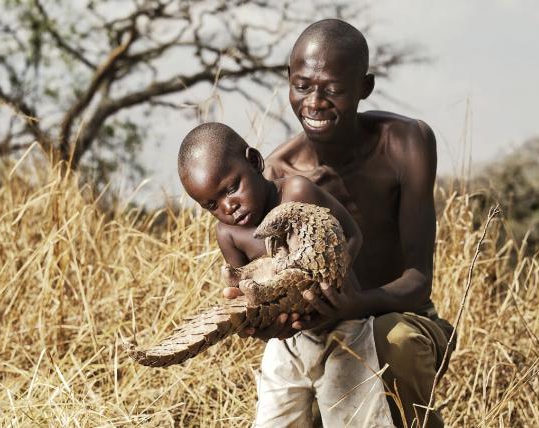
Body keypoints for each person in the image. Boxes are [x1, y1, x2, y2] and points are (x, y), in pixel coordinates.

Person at [221, 19, 456, 427]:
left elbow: (418, 279)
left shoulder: (405, 144)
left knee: (392, 344)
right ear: (288, 80)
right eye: (303, 86)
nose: (314, 102)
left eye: (333, 88)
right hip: (321, 331)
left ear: (363, 88)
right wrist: (270, 320)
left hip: (400, 316)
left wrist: (357, 305)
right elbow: (281, 282)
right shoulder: (275, 177)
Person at [178, 122, 394, 427]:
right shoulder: (228, 233)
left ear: (254, 162)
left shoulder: (297, 191)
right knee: (274, 421)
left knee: (356, 419)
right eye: (212, 204)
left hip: (344, 330)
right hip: (287, 344)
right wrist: (256, 324)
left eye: (231, 187)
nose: (229, 206)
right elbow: (247, 295)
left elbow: (352, 234)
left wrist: (334, 275)